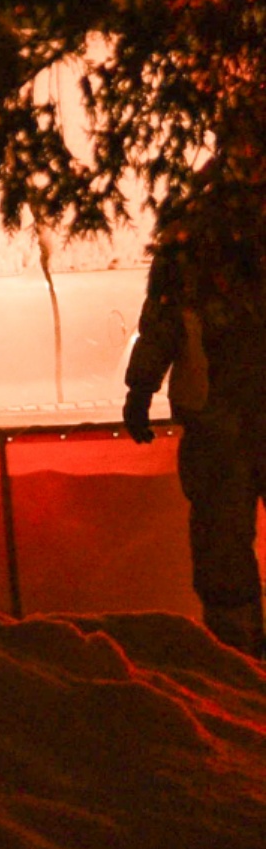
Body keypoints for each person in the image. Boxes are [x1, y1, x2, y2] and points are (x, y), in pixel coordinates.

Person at [124, 170, 266, 655]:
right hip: (218, 424)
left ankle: (238, 659)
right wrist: (139, 389)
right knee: (221, 549)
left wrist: (140, 390)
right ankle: (239, 656)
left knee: (220, 547)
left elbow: (160, 323)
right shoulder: (191, 241)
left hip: (217, 423)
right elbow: (161, 322)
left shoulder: (189, 234)